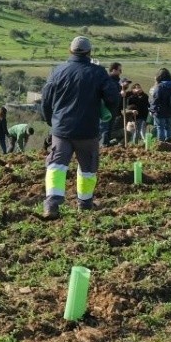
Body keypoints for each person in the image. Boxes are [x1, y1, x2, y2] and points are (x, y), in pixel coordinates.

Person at [40, 35, 121, 219]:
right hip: (88, 129)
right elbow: (113, 97)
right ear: (89, 52)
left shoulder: (57, 71)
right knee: (88, 167)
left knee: (57, 165)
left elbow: (46, 100)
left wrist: (50, 121)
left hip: (61, 129)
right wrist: (107, 113)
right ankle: (84, 204)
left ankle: (52, 204)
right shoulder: (98, 72)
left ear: (70, 51)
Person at [149, 69, 171, 143]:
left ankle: (161, 142)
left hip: (160, 110)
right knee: (168, 126)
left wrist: (152, 110)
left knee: (160, 127)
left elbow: (155, 99)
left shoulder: (159, 86)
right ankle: (169, 139)